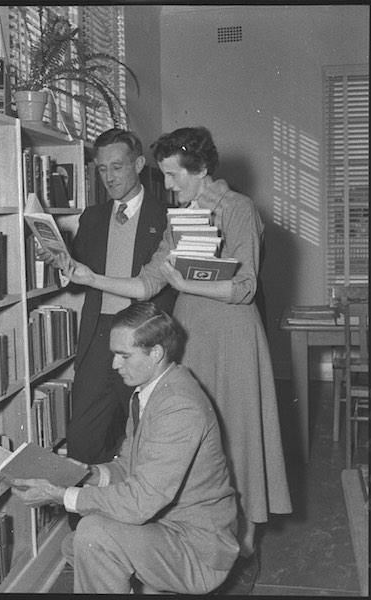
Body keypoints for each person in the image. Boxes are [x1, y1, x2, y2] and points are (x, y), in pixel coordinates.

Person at [55, 126, 292, 591]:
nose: (168, 186)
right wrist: (90, 276)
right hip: (193, 333)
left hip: (232, 336)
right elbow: (145, 283)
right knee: (194, 439)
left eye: (172, 175)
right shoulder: (180, 216)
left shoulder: (238, 208)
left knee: (236, 439)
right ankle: (187, 536)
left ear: (199, 168)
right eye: (163, 175)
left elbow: (244, 289)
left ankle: (241, 550)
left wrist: (187, 285)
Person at [11, 301, 239, 595]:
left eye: (124, 356)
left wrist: (61, 495)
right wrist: (90, 474)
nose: (114, 365)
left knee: (92, 537)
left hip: (199, 550)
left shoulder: (179, 406)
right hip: (169, 527)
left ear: (155, 353)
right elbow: (129, 466)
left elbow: (141, 502)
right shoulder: (151, 391)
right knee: (77, 543)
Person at [55, 129, 176, 480]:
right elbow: (79, 285)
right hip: (97, 338)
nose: (109, 177)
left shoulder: (166, 217)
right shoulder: (91, 218)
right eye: (102, 169)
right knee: (83, 435)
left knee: (144, 435)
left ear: (139, 164)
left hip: (144, 337)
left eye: (117, 167)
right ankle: (83, 528)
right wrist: (60, 267)